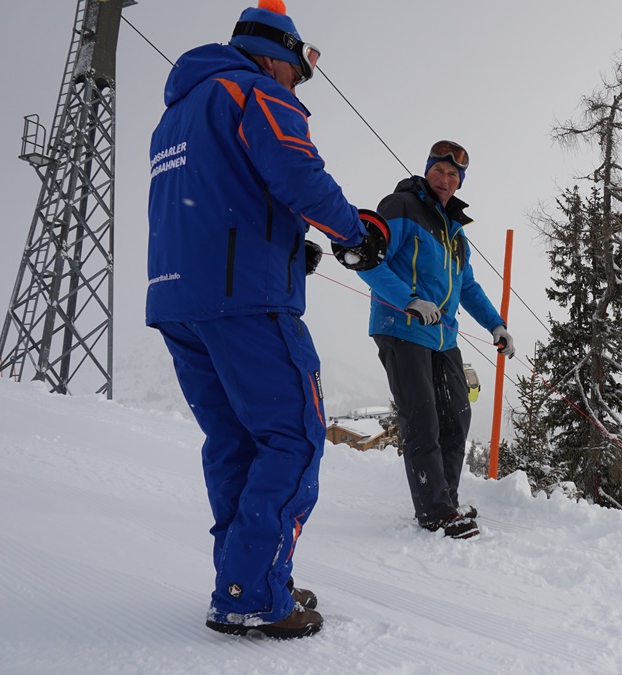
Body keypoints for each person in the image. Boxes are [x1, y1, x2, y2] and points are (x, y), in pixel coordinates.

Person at [146, 0, 387, 639]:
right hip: (245, 303)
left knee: (234, 442)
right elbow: (298, 175)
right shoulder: (255, 91)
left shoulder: (178, 112)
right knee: (294, 437)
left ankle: (246, 580)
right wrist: (355, 234)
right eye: (296, 74)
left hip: (179, 300)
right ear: (278, 55)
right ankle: (250, 591)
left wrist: (284, 245)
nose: (295, 86)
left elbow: (219, 199)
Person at [357, 140, 515, 540]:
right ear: (427, 171)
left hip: (443, 335)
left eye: (454, 175)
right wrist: (408, 300)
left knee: (457, 416)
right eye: (439, 171)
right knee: (422, 418)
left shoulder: (455, 233)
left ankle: (446, 498)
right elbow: (367, 259)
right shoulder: (400, 207)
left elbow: (468, 286)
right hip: (401, 326)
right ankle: (434, 511)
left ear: (460, 183)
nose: (445, 180)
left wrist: (496, 325)